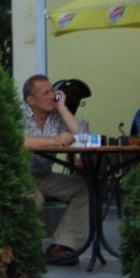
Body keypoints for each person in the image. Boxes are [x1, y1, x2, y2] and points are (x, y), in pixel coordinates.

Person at [22, 74, 89, 266]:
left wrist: (62, 108)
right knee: (33, 198)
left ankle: (62, 247)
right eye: (46, 93)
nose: (53, 95)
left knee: (85, 187)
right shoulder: (17, 113)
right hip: (20, 177)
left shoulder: (56, 115)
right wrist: (53, 141)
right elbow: (18, 140)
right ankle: (25, 250)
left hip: (44, 176)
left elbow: (83, 138)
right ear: (31, 100)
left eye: (53, 91)